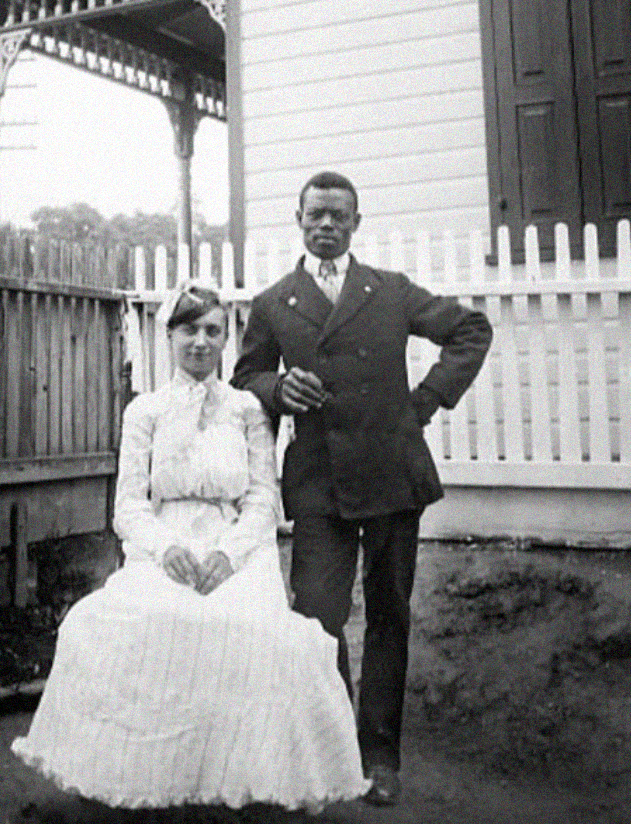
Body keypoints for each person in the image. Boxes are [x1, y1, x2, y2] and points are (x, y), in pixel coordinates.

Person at [11, 281, 369, 812]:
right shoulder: (145, 411)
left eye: (212, 331)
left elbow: (263, 500)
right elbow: (128, 507)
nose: (200, 342)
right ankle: (153, 783)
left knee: (252, 631)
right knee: (121, 623)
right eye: (188, 330)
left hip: (236, 547)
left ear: (225, 339)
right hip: (165, 544)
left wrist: (229, 555)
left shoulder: (248, 409)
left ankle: (235, 784)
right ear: (170, 335)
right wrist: (166, 549)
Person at [231, 171, 493, 806]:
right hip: (319, 480)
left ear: (356, 223)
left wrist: (424, 402)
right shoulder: (274, 304)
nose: (326, 225)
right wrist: (275, 389)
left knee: (389, 615)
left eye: (338, 216)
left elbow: (471, 331)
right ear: (298, 219)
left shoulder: (390, 291)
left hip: (393, 478)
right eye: (315, 214)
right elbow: (245, 377)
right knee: (318, 617)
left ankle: (379, 757)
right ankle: (331, 749)